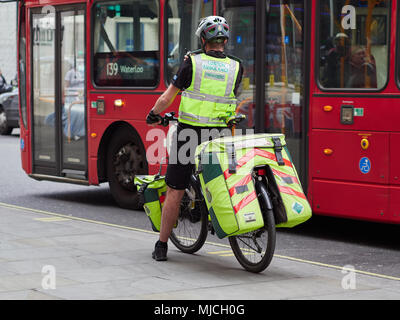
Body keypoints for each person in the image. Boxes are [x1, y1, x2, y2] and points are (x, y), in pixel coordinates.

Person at [146, 16, 243, 261]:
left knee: (175, 190)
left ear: (203, 39)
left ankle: (161, 245)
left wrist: (154, 114)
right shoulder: (236, 66)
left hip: (190, 134)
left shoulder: (193, 62)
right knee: (224, 184)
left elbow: (167, 98)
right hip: (221, 135)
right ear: (225, 41)